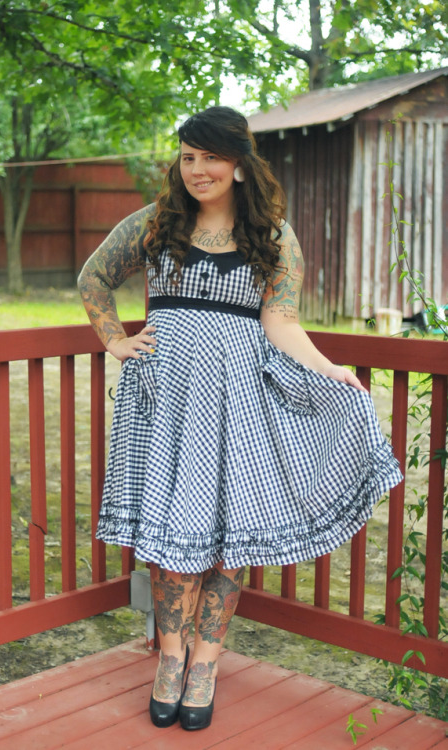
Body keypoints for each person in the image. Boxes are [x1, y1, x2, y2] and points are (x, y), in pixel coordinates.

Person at [78, 106, 402, 732]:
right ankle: (169, 659)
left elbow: (282, 323)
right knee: (170, 530)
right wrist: (115, 340)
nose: (197, 169)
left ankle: (206, 661)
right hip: (165, 398)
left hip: (238, 398)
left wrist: (331, 370)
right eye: (188, 156)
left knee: (230, 529)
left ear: (240, 165)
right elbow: (95, 277)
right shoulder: (155, 224)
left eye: (211, 157)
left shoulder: (273, 236)